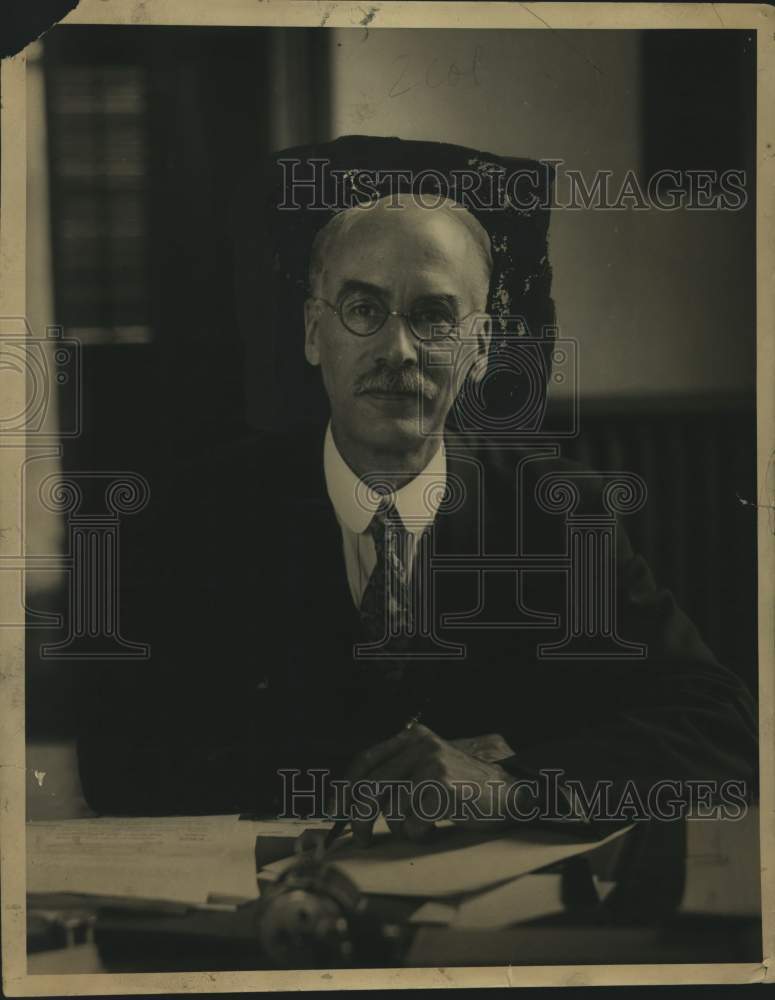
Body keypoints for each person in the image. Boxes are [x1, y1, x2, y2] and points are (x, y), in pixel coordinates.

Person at [77, 136, 757, 841]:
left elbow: (723, 727)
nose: (396, 350)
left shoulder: (558, 514)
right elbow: (118, 760)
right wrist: (375, 775)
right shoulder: (198, 513)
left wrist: (509, 786)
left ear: (481, 346)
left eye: (433, 316)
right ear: (314, 332)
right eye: (362, 309)